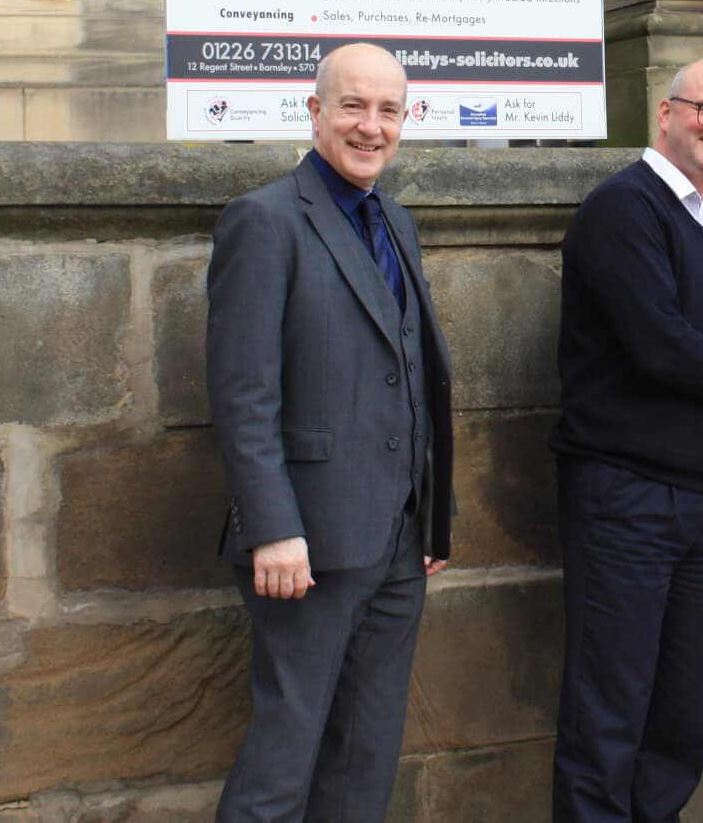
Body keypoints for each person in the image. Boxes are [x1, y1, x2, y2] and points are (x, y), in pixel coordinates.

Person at [204, 42, 455, 822]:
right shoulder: (264, 220)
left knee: (364, 762)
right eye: (352, 106)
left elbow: (412, 371)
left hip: (398, 543)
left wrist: (431, 513)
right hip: (305, 546)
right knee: (281, 769)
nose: (370, 126)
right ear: (315, 111)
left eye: (388, 110)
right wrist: (273, 528)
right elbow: (243, 393)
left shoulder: (398, 222)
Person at [549, 55, 703, 823]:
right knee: (608, 717)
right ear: (666, 112)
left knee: (679, 723)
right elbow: (660, 347)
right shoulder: (622, 209)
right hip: (624, 498)